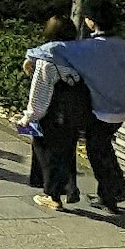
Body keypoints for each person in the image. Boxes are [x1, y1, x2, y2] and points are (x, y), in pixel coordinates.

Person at [62, 0, 125, 215]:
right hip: (121, 110)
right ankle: (114, 189)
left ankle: (112, 193)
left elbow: (57, 52)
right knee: (102, 148)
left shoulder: (89, 48)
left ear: (90, 22)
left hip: (99, 111)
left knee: (97, 152)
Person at [21, 12, 101, 209]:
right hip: (76, 113)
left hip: (53, 115)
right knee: (67, 151)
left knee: (46, 151)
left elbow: (39, 94)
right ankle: (71, 189)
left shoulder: (46, 60)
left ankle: (52, 195)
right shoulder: (82, 55)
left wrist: (29, 117)